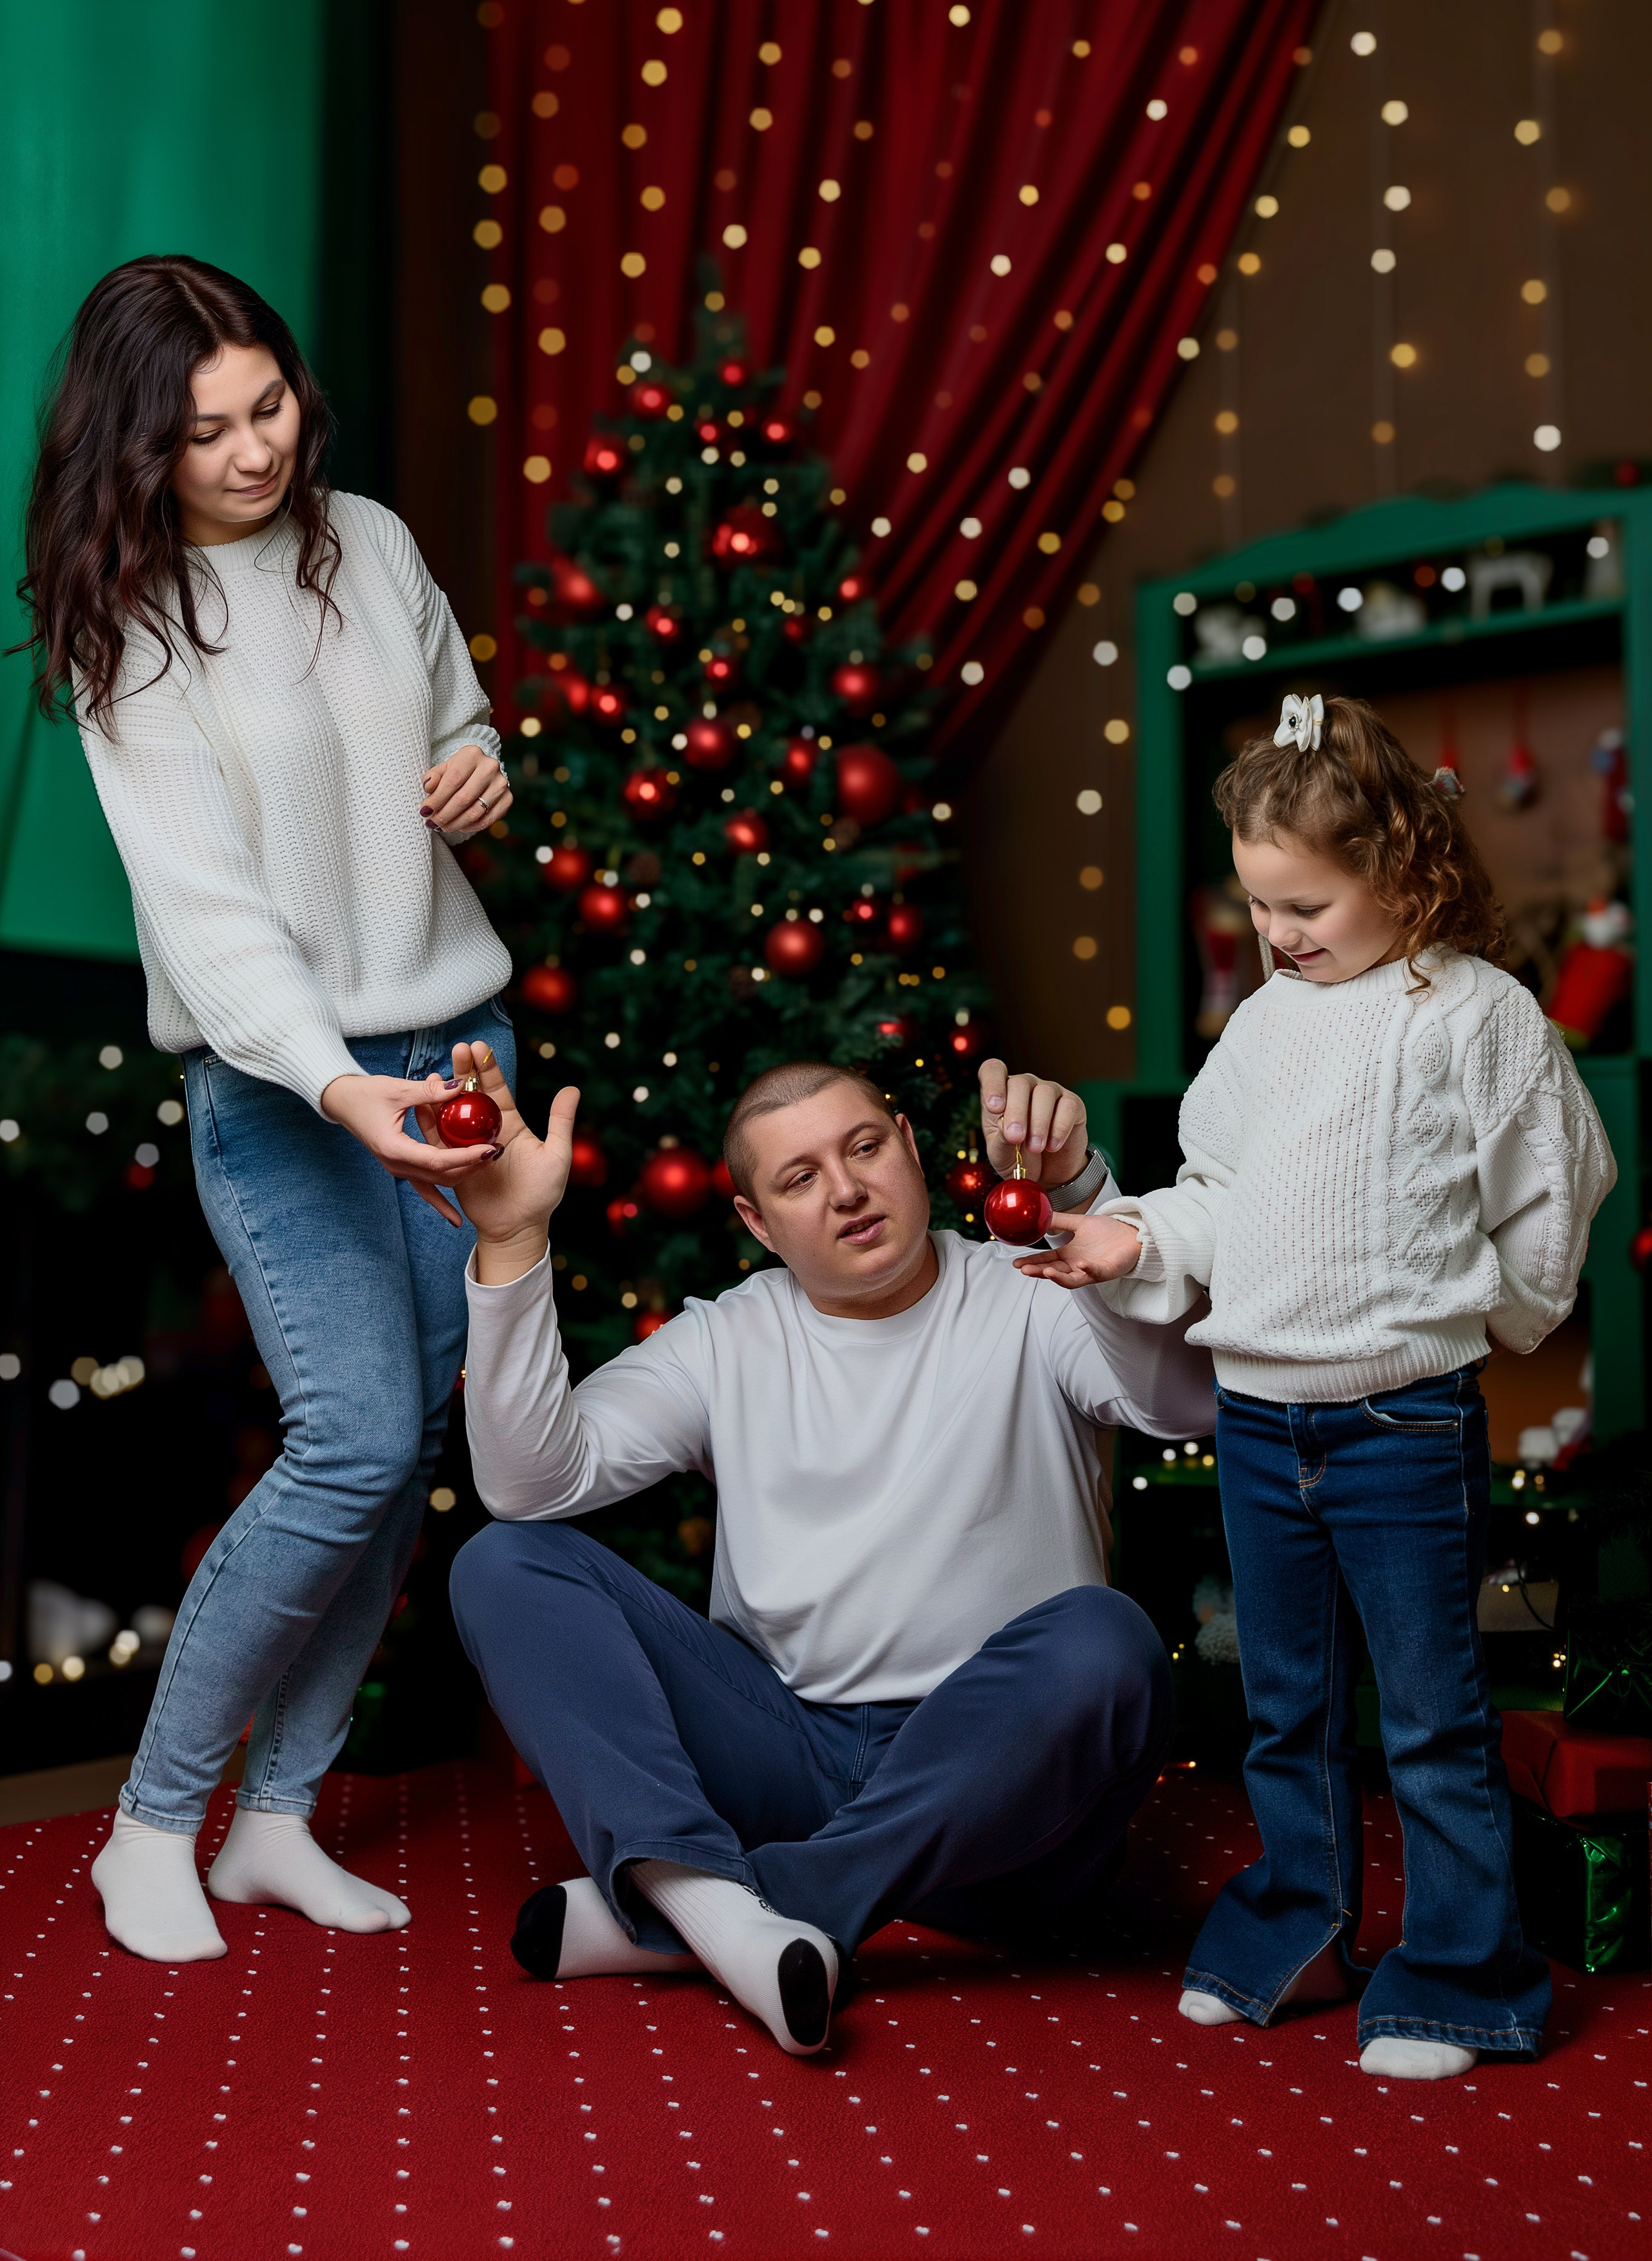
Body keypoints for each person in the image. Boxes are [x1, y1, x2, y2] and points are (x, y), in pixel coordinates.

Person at [21, 255, 517, 1964]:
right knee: (355, 1435)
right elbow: (213, 916)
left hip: (458, 1045)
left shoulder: (369, 540)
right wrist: (335, 1088)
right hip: (279, 1077)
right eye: (207, 431)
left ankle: (281, 1818)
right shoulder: (125, 631)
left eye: (271, 407)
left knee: (406, 1458)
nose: (252, 453)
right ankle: (158, 1822)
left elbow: (454, 726)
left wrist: (481, 766)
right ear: (137, 448)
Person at [1022, 692, 1615, 2082]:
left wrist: (1498, 1311)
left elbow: (1558, 1174)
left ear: (1399, 869)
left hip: (1399, 1421)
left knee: (1427, 1708)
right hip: (1255, 1417)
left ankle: (1464, 1979)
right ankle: (1292, 1930)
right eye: (1256, 905)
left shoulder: (1476, 1014)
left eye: (1301, 903)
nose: (1276, 933)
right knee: (1280, 1705)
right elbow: (1222, 1190)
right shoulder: (1266, 1023)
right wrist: (1136, 1236)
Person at [438, 1043, 1215, 2058]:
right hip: (789, 1760)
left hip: (998, 1803)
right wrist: (513, 1235)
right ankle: (730, 1900)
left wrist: (1080, 1188)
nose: (847, 1190)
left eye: (863, 1149)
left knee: (1107, 1642)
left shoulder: (1033, 1288)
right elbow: (531, 1482)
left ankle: (710, 1912)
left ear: (910, 1148)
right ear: (758, 1225)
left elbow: (1179, 1401)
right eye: (800, 1179)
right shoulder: (727, 1339)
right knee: (502, 1563)